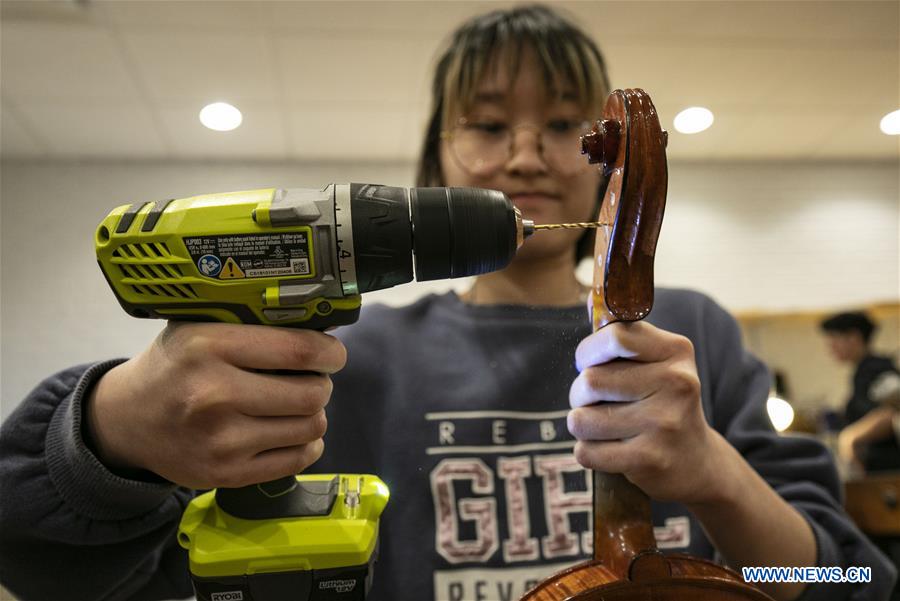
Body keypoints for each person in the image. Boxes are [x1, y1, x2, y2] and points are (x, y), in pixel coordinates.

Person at [0, 5, 895, 601]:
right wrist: (117, 430)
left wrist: (713, 470)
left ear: (609, 156)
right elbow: (71, 566)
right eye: (488, 122)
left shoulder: (690, 332)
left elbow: (848, 582)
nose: (525, 154)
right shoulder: (355, 351)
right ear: (439, 156)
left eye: (561, 125)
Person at [821, 311, 900, 474]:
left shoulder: (876, 369)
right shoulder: (862, 371)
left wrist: (850, 438)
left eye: (834, 340)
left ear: (854, 337)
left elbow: (891, 413)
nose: (830, 348)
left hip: (888, 469)